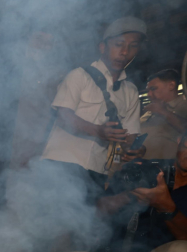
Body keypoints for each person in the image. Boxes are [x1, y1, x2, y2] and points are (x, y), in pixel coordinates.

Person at [31, 132, 187, 252]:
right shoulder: (148, 168)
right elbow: (98, 211)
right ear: (179, 141)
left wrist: (165, 205)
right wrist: (130, 194)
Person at [41, 17, 147, 199]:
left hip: (97, 171)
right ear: (102, 47)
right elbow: (63, 116)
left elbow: (130, 137)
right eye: (119, 44)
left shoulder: (130, 91)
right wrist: (98, 131)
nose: (124, 52)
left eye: (133, 46)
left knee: (84, 226)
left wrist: (136, 150)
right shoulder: (79, 76)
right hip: (62, 164)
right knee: (50, 224)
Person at [141, 69, 187, 160]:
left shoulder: (183, 106)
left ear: (171, 85)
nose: (149, 94)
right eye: (148, 91)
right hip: (142, 168)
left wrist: (163, 112)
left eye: (153, 89)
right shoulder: (150, 111)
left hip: (168, 169)